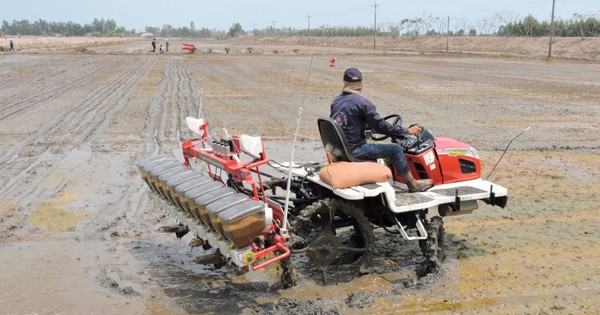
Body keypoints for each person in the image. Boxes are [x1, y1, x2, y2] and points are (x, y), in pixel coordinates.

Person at [329, 67, 433, 192]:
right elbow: (381, 126)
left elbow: (350, 123)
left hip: (341, 150)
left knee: (380, 147)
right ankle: (412, 184)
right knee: (395, 149)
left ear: (344, 83)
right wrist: (407, 131)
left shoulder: (336, 102)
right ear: (361, 85)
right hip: (355, 150)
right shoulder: (363, 103)